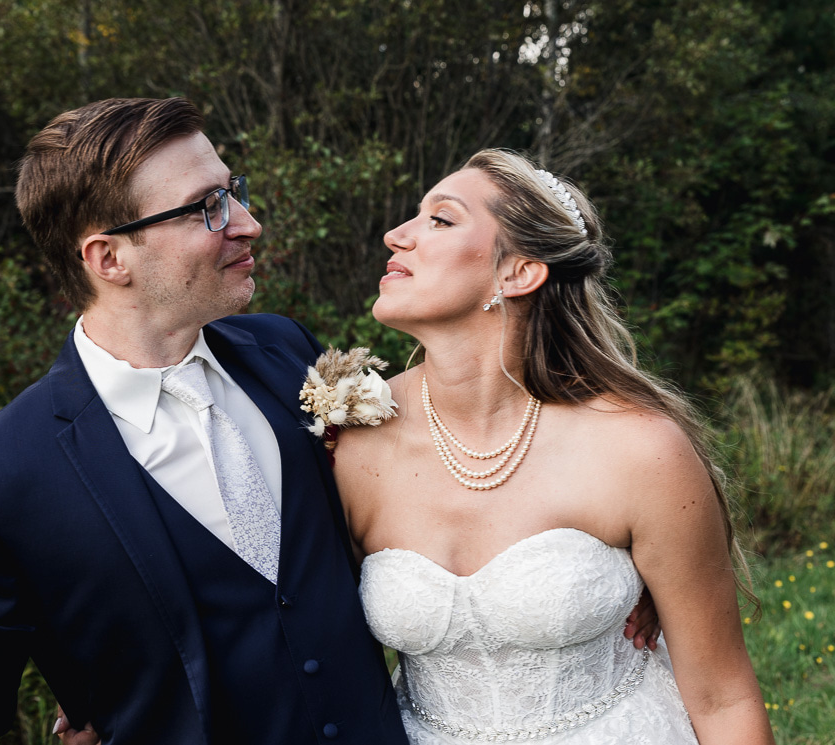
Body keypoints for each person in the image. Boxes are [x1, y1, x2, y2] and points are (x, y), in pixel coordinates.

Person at [0, 97, 410, 744]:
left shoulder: (287, 353)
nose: (248, 223)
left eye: (233, 192)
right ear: (109, 259)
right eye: (207, 207)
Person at [332, 149, 774, 743]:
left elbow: (723, 698)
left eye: (441, 219)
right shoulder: (351, 444)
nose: (396, 235)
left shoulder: (638, 450)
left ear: (518, 272)